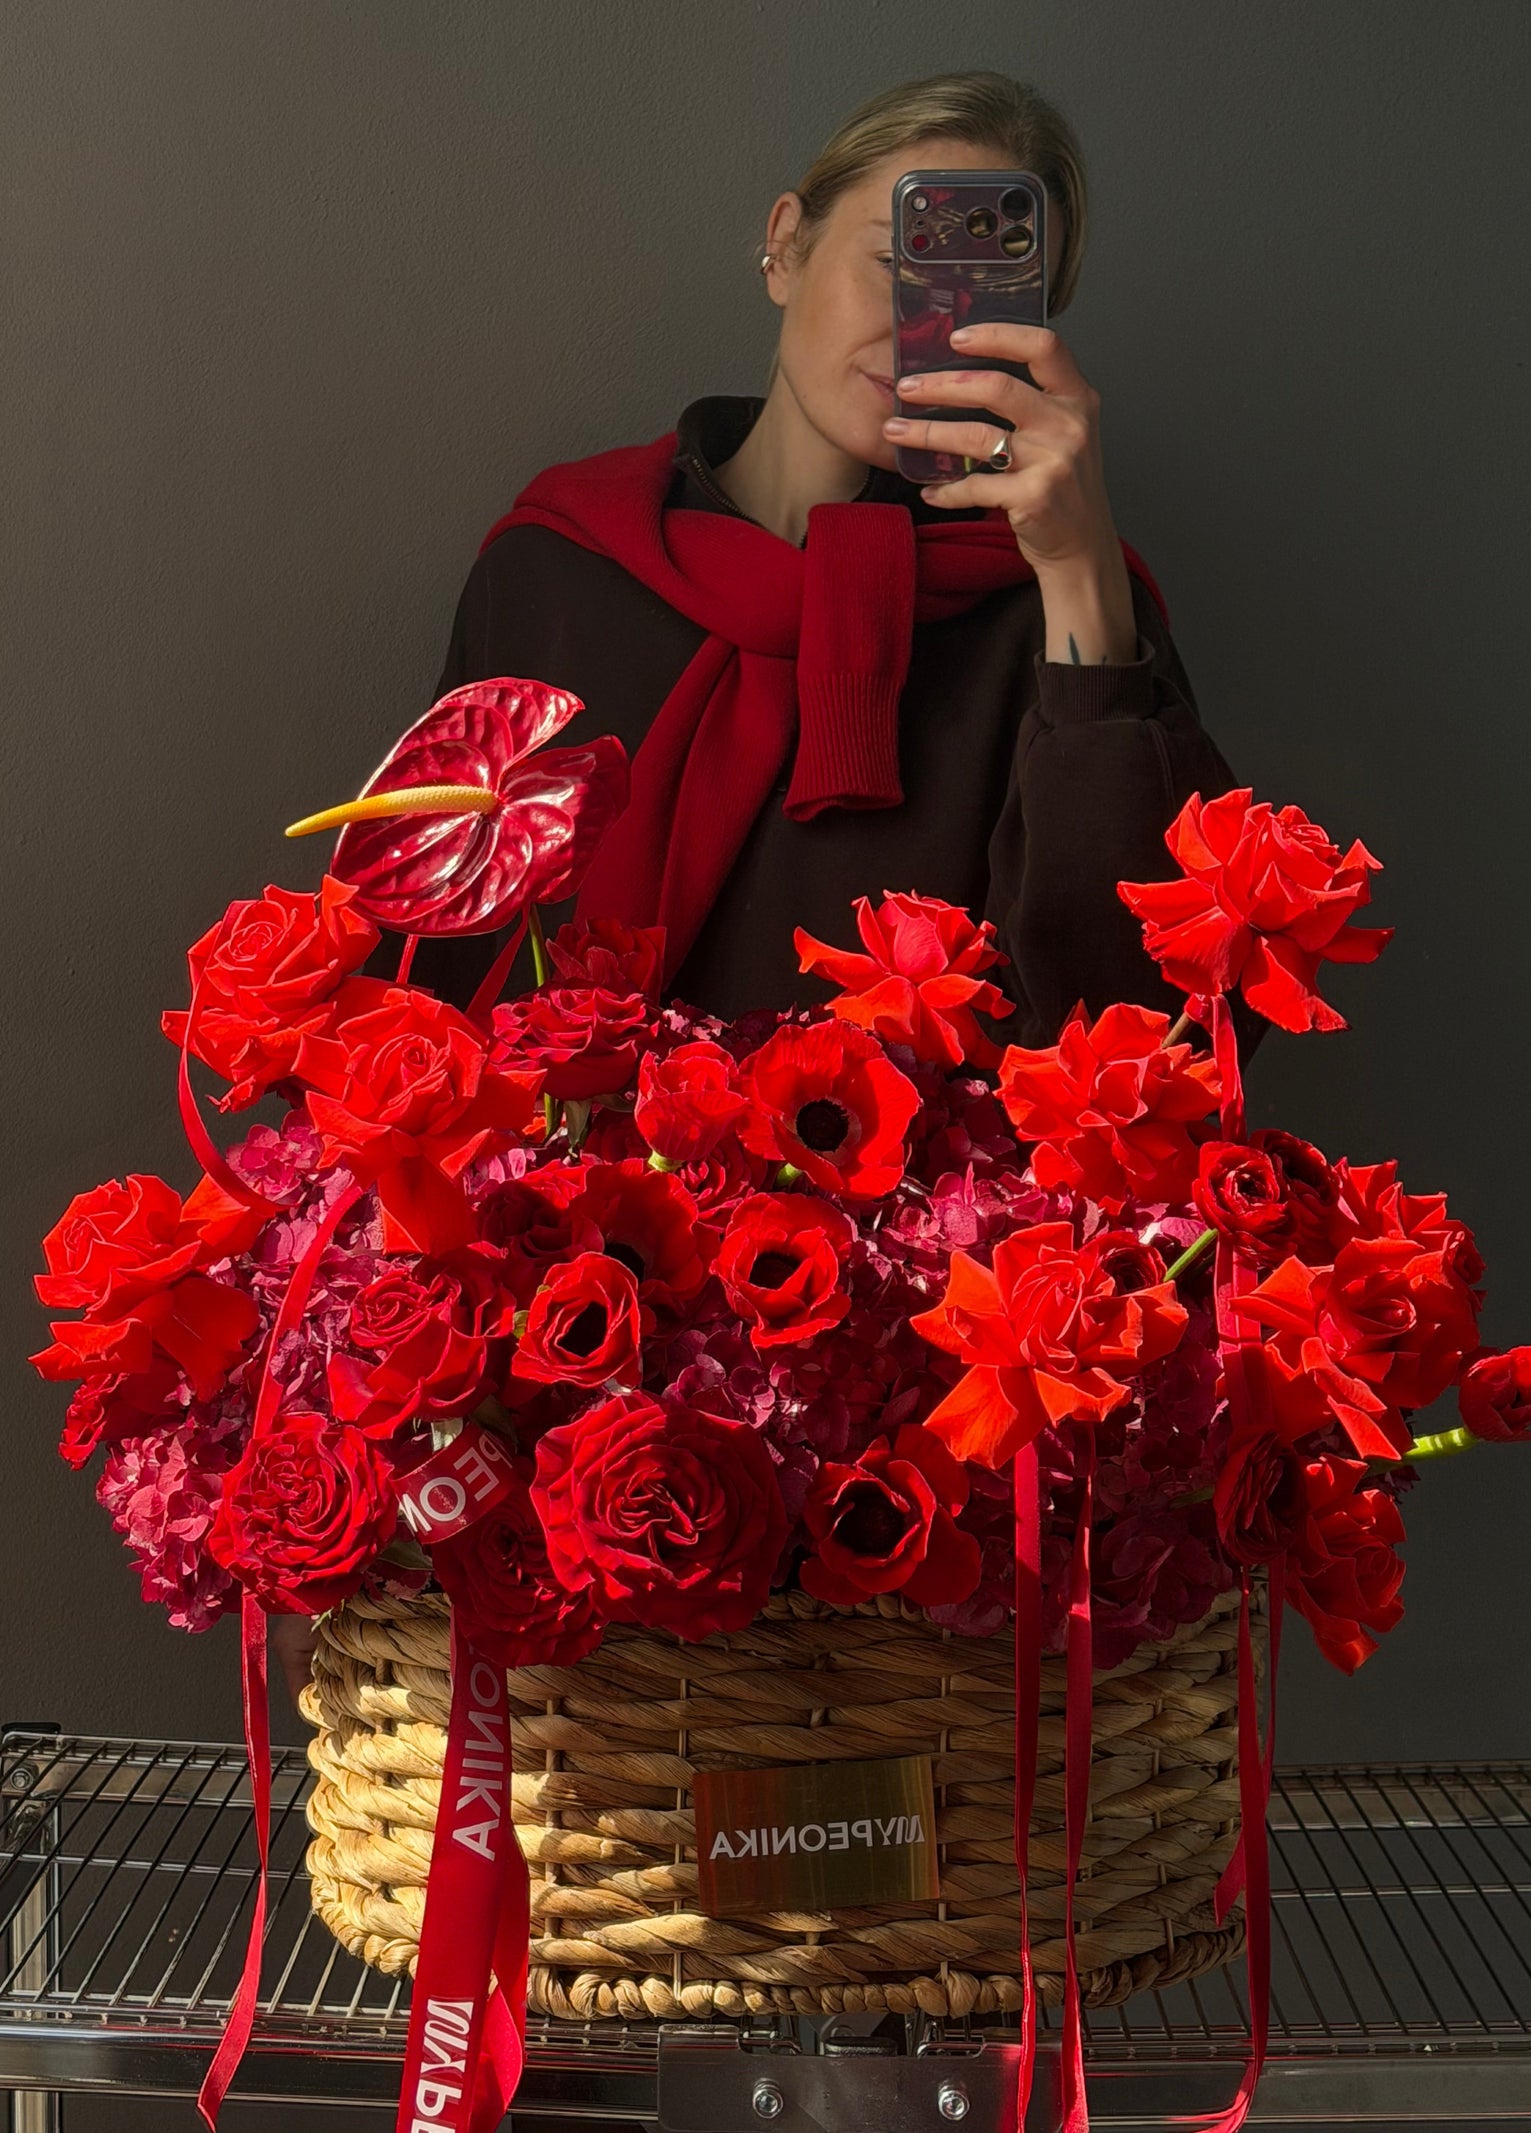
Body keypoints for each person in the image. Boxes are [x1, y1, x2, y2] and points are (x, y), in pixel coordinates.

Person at [273, 68, 1266, 1709]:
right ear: (784, 246)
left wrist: (1082, 577)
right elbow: (415, 987)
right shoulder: (560, 566)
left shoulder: (1058, 601)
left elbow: (1123, 1024)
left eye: (990, 282)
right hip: (569, 1365)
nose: (926, 317)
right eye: (900, 252)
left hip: (913, 1398)